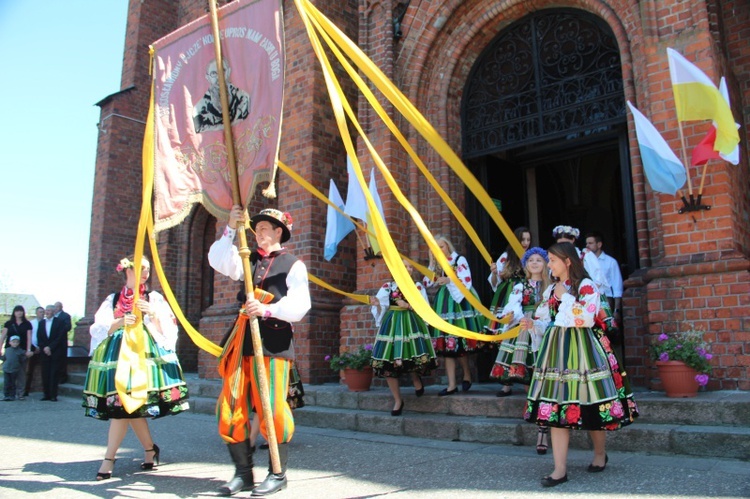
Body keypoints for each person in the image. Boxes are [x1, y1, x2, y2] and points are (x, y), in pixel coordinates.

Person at [208, 206, 311, 497]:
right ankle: (243, 474)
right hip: (242, 341)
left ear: (279, 232)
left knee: (273, 408)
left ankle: (277, 473)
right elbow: (217, 260)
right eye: (257, 229)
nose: (258, 233)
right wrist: (230, 227)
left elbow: (300, 305)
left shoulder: (293, 264)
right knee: (229, 406)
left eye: (265, 229)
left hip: (273, 343)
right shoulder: (246, 257)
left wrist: (267, 310)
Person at [524, 242, 638, 487]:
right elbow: (549, 320)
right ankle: (559, 469)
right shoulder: (550, 289)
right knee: (555, 405)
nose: (549, 264)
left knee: (591, 402)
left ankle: (599, 454)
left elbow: (586, 317)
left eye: (553, 260)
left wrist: (565, 296)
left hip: (585, 350)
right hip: (556, 352)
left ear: (567, 261)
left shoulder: (585, 285)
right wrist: (534, 325)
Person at [82, 255, 189, 481]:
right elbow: (99, 328)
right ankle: (149, 449)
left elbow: (169, 329)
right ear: (128, 270)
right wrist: (121, 320)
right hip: (118, 356)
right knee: (126, 406)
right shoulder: (113, 300)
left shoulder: (154, 297)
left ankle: (109, 458)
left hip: (144, 356)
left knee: (127, 406)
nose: (146, 273)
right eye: (142, 268)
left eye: (148, 269)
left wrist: (151, 313)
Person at [369, 259, 438, 415]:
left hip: (410, 323)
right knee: (388, 362)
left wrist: (407, 305)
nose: (409, 269)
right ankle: (398, 400)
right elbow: (381, 306)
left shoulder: (417, 286)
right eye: (405, 266)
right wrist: (377, 304)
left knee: (410, 356)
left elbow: (424, 307)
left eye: (410, 267)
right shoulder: (388, 287)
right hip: (392, 324)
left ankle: (415, 379)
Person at [423, 236, 484, 396]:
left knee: (459, 341)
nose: (439, 250)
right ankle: (451, 384)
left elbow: (466, 279)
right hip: (444, 301)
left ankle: (467, 374)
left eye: (441, 246)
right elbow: (427, 282)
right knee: (447, 344)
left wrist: (448, 279)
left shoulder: (458, 259)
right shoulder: (436, 263)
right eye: (436, 248)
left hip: (460, 301)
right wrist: (431, 264)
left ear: (448, 246)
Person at [193, 59, 250, 133]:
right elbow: (201, 132)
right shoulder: (199, 108)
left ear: (229, 72)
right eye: (213, 73)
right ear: (207, 77)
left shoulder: (242, 97)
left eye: (222, 71)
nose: (219, 77)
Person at [552, 225, 608, 292]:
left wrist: (585, 294)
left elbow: (598, 279)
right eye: (560, 244)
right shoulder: (555, 259)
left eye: (566, 243)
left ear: (573, 240)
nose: (564, 247)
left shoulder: (585, 255)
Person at [584, 232, 624, 327]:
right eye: (586, 243)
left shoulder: (610, 262)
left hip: (606, 300)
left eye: (590, 243)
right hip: (588, 300)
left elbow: (617, 287)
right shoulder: (584, 261)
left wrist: (616, 310)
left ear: (599, 244)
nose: (587, 246)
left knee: (607, 329)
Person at [0, 305, 33, 400]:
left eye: (21, 311)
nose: (19, 313)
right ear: (14, 312)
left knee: (21, 373)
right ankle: (8, 394)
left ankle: (20, 393)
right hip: (10, 350)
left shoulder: (27, 324)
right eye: (17, 311)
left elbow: (29, 337)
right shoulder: (9, 323)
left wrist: (28, 350)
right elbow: (3, 336)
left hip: (21, 350)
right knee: (8, 372)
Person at [37, 305, 68, 402]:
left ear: (54, 312)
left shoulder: (59, 322)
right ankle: (46, 394)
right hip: (44, 352)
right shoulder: (42, 323)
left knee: (54, 374)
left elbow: (60, 337)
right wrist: (45, 348)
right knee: (45, 373)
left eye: (49, 310)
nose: (47, 312)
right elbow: (39, 337)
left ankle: (53, 395)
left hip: (55, 352)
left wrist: (50, 347)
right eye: (46, 310)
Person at [24, 306, 45, 396]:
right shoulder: (31, 323)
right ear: (36, 313)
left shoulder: (45, 323)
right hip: (33, 348)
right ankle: (26, 390)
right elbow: (29, 336)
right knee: (29, 370)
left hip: (43, 348)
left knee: (44, 370)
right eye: (40, 312)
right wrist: (33, 347)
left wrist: (41, 347)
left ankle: (44, 390)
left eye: (43, 312)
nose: (42, 313)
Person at [1, 336, 25, 401]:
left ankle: (12, 396)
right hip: (6, 369)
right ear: (10, 342)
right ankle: (6, 395)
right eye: (13, 342)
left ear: (18, 343)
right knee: (6, 383)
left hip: (14, 370)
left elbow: (22, 360)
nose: (15, 343)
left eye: (16, 342)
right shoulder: (7, 350)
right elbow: (4, 358)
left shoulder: (20, 351)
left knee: (12, 383)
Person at [54, 301, 72, 384]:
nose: (56, 308)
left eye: (58, 306)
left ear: (61, 307)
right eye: (55, 307)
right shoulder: (53, 316)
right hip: (53, 342)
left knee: (62, 359)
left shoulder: (65, 316)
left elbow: (68, 327)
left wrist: (59, 330)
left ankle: (62, 377)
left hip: (61, 341)